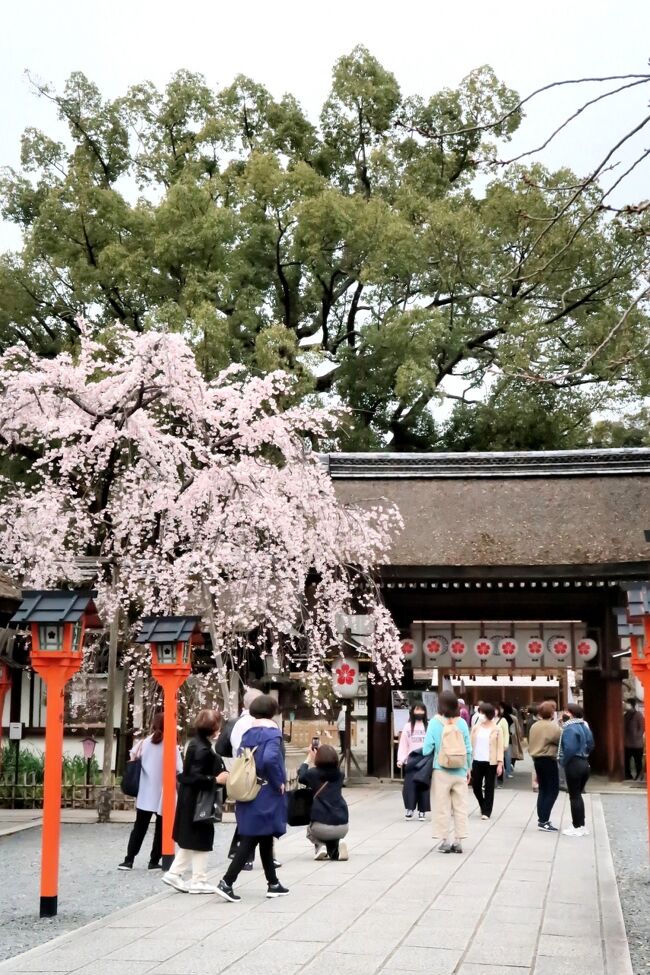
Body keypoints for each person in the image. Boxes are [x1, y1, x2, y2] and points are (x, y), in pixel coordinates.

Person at [216, 694, 289, 902]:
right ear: (272, 711)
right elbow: (270, 758)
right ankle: (227, 882)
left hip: (249, 788)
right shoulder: (272, 733)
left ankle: (273, 883)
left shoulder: (249, 732)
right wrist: (278, 782)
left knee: (264, 836)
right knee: (252, 838)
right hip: (265, 791)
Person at [163, 709, 229, 894]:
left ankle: (180, 874)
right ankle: (196, 879)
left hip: (191, 799)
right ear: (214, 728)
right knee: (200, 837)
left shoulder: (195, 744)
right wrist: (215, 780)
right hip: (199, 800)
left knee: (196, 838)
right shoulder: (203, 750)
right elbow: (194, 776)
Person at [118, 712, 182, 871]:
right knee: (162, 828)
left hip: (146, 791)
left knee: (139, 827)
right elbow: (179, 768)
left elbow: (133, 756)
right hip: (164, 792)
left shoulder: (144, 743)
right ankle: (154, 860)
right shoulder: (171, 745)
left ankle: (129, 860)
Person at [423, 690, 472, 854]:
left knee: (441, 806)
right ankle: (458, 841)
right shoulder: (462, 723)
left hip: (441, 770)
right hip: (460, 770)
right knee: (460, 806)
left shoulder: (434, 722)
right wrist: (468, 768)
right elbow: (468, 748)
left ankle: (445, 841)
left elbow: (426, 749)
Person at [226, 687, 264, 871]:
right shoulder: (250, 723)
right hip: (249, 773)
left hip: (242, 771)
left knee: (250, 814)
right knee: (252, 815)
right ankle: (244, 856)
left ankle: (240, 851)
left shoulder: (241, 722)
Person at [298, 742, 349, 860]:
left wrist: (309, 758)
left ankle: (321, 846)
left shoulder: (313, 774)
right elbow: (331, 770)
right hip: (343, 827)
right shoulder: (340, 775)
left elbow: (301, 777)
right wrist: (325, 751)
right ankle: (336, 848)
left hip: (321, 827)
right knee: (332, 833)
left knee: (310, 831)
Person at [559, 703, 595, 837]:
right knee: (578, 795)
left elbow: (569, 748)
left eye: (565, 711)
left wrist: (563, 761)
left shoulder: (569, 728)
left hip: (573, 763)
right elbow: (591, 744)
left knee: (574, 796)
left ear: (570, 713)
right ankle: (582, 825)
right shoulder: (583, 726)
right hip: (584, 762)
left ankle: (576, 826)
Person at [528, 701, 561, 833]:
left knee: (543, 790)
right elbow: (560, 739)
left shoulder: (534, 726)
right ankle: (544, 820)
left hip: (537, 759)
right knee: (552, 790)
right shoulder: (552, 727)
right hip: (548, 759)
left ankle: (542, 818)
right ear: (552, 713)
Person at [470, 703, 504, 820]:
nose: (480, 715)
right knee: (476, 786)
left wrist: (500, 764)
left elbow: (500, 747)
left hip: (491, 762)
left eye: (483, 713)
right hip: (477, 760)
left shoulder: (497, 729)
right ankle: (482, 804)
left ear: (489, 714)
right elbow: (470, 744)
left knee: (489, 787)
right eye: (480, 712)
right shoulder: (476, 727)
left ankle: (487, 811)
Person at [397, 704, 430, 820]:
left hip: (425, 759)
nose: (419, 712)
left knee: (424, 786)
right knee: (409, 786)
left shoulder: (429, 726)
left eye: (422, 710)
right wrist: (401, 759)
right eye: (417, 710)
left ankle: (422, 810)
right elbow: (403, 744)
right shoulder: (407, 727)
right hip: (411, 759)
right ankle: (409, 809)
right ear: (412, 712)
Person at [624, 699, 645, 780]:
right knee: (626, 761)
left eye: (627, 704)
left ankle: (639, 775)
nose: (625, 705)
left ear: (631, 705)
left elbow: (642, 727)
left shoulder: (638, 715)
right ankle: (628, 775)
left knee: (638, 761)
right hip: (627, 743)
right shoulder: (625, 715)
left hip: (637, 744)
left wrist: (637, 736)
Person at [495, 704, 511, 783]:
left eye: (496, 710)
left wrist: (506, 744)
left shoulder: (503, 720)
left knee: (500, 761)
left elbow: (506, 733)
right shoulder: (489, 720)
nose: (494, 712)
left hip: (500, 744)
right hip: (492, 745)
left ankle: (500, 780)